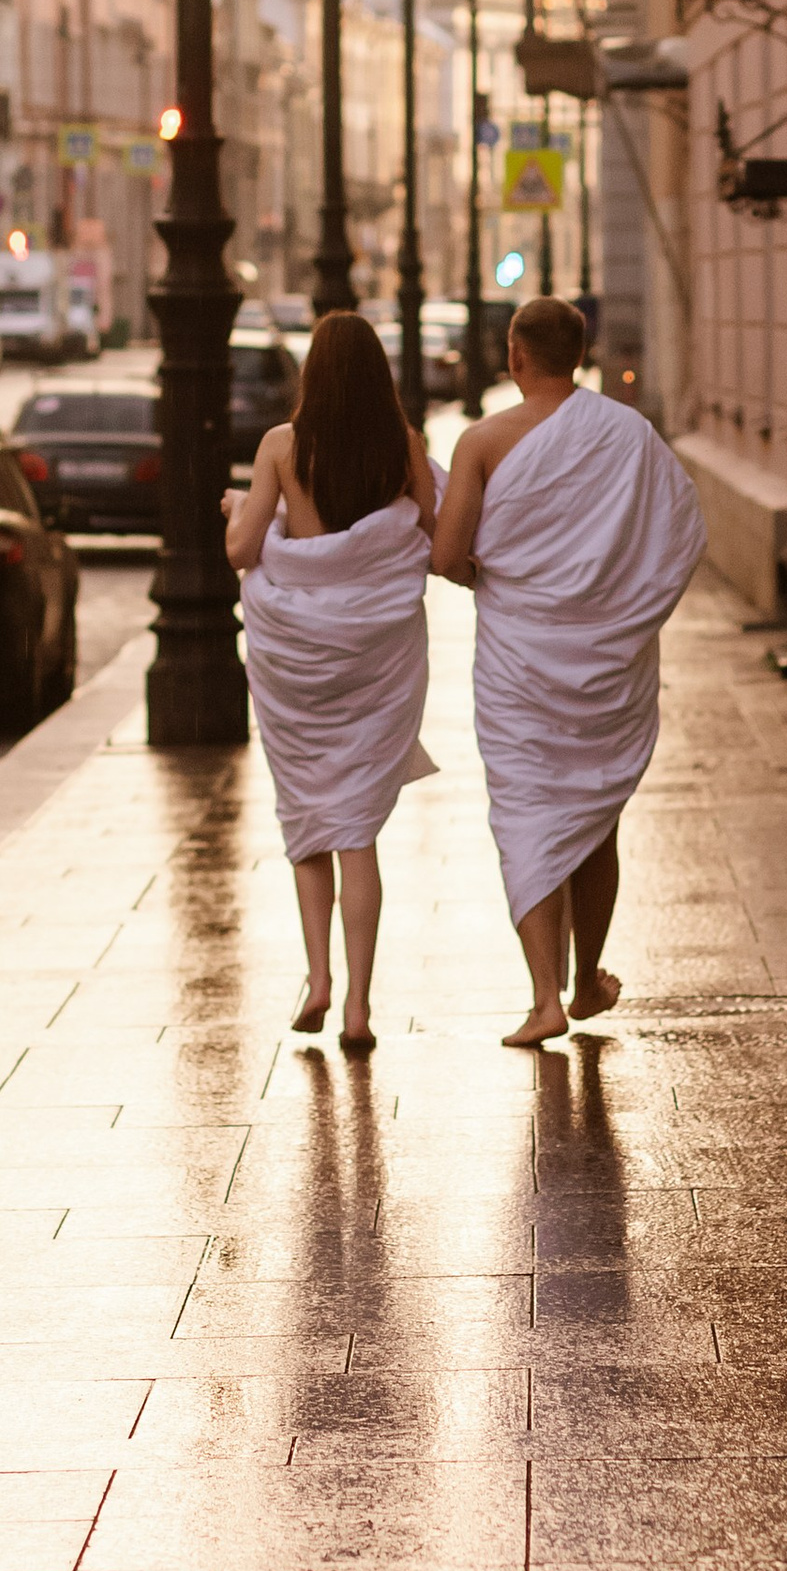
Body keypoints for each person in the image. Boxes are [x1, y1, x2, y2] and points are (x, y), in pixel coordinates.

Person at [431, 292, 705, 1047]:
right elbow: (681, 534)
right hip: (607, 661)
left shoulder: (482, 442)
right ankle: (587, 981)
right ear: (579, 356)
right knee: (594, 816)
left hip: (521, 662)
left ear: (514, 357)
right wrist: (621, 608)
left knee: (528, 816)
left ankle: (543, 997)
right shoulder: (629, 434)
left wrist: (497, 574)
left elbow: (448, 556)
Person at [226, 308, 440, 1052]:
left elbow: (243, 548)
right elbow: (433, 537)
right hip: (373, 663)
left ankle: (315, 980)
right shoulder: (402, 446)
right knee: (358, 832)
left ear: (312, 373)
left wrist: (240, 511)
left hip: (299, 667)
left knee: (308, 820)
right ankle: (358, 1007)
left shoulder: (282, 446)